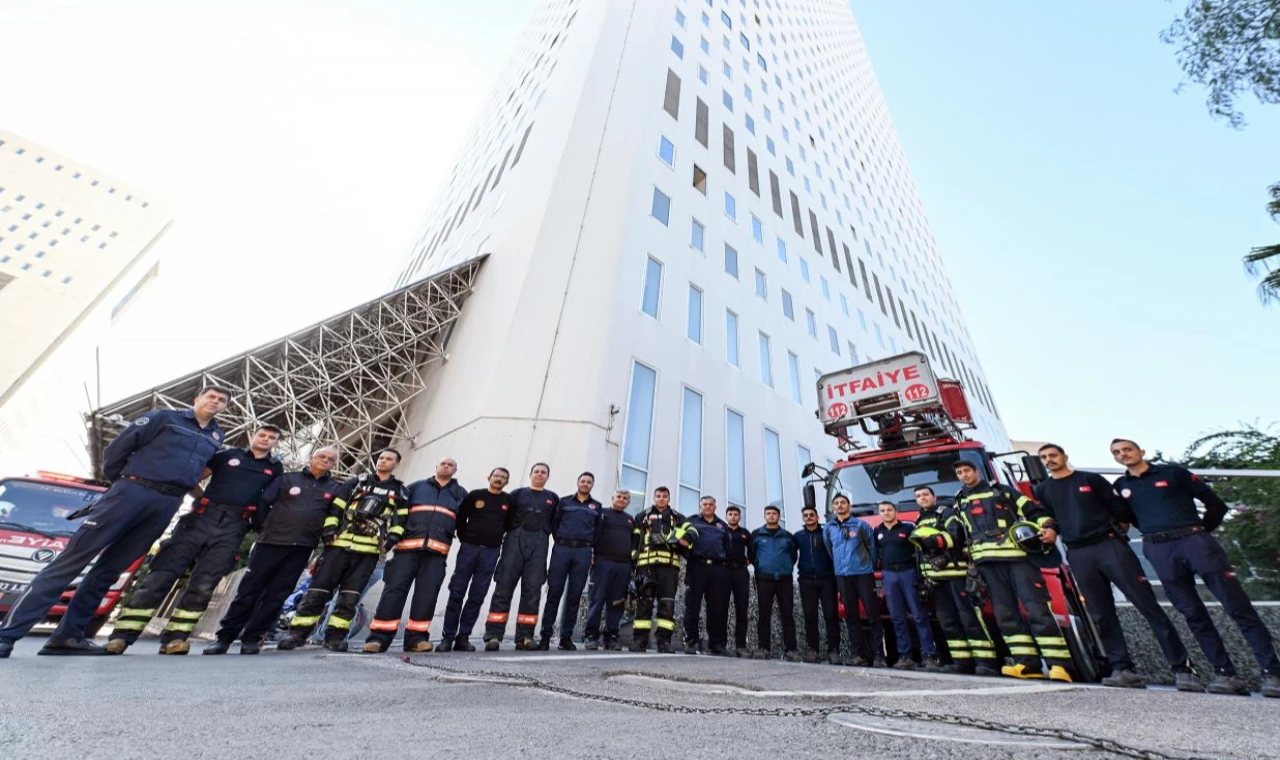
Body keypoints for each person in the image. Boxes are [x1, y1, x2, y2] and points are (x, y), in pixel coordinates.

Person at [0, 387, 228, 658]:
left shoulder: (216, 435)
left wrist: (199, 497)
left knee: (109, 572)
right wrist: (123, 482)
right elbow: (118, 449)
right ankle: (7, 636)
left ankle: (68, 637)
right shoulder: (164, 418)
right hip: (131, 492)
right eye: (211, 396)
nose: (215, 402)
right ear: (197, 399)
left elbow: (196, 471)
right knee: (73, 561)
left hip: (167, 503)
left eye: (222, 400)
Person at [1111, 438, 1280, 698]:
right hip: (1159, 550)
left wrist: (1200, 533)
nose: (1123, 454)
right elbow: (1129, 517)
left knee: (1237, 607)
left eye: (1127, 449)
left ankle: (1272, 673)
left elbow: (1216, 505)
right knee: (1193, 614)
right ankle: (1225, 674)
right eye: (1116, 453)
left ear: (1141, 451)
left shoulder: (1173, 473)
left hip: (1195, 542)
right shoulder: (1121, 485)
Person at [107, 425, 283, 655]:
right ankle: (122, 636)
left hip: (235, 525)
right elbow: (194, 477)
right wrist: (203, 499)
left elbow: (268, 500)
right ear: (252, 436)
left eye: (272, 437)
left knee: (205, 583)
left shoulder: (275, 468)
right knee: (162, 574)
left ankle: (176, 639)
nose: (265, 439)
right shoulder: (227, 456)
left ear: (276, 443)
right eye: (262, 435)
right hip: (201, 518)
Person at [1034, 444, 1192, 690]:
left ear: (1065, 456)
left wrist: (1116, 534)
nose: (1049, 460)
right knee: (1100, 614)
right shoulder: (1042, 489)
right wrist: (1051, 529)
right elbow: (1048, 516)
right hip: (1077, 553)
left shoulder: (1091, 480)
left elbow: (1120, 509)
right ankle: (1123, 669)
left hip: (1110, 547)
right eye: (1044, 457)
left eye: (1053, 455)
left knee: (1147, 606)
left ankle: (1182, 668)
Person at [206, 447, 340, 655]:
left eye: (330, 459)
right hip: (270, 543)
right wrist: (264, 527)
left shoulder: (334, 488)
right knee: (249, 591)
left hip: (301, 548)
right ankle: (225, 638)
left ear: (334, 465)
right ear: (311, 458)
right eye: (321, 456)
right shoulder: (287, 479)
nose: (325, 460)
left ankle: (253, 638)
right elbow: (263, 502)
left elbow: (333, 516)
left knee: (277, 596)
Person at [948, 460, 1073, 682]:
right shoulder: (958, 501)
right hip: (986, 563)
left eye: (967, 470)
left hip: (1018, 560)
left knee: (1037, 609)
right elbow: (960, 533)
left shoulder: (1002, 491)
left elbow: (1033, 510)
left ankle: (1059, 665)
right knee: (1005, 615)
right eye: (959, 473)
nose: (964, 475)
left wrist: (1049, 527)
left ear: (976, 471)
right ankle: (1026, 663)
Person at [277, 449, 408, 652]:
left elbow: (400, 520)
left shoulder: (400, 491)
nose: (383, 461)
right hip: (338, 547)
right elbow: (336, 507)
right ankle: (297, 634)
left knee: (350, 597)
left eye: (389, 459)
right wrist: (329, 531)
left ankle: (335, 637)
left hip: (368, 552)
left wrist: (390, 541)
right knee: (317, 592)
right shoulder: (356, 482)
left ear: (396, 464)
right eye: (381, 458)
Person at [363, 457, 467, 654]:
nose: (446, 466)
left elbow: (462, 523)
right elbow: (398, 514)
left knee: (427, 596)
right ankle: (378, 638)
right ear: (436, 466)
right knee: (393, 593)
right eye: (443, 463)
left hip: (436, 554)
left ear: (455, 470)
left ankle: (416, 639)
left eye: (451, 465)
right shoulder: (415, 487)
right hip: (405, 551)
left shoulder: (460, 493)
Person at [909, 486, 998, 676]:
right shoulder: (919, 520)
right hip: (936, 580)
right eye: (918, 496)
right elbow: (919, 554)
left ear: (934, 496)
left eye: (925, 494)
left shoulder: (946, 512)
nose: (922, 498)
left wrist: (932, 542)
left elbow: (955, 535)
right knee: (947, 621)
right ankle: (962, 661)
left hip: (956, 575)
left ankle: (986, 663)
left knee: (970, 618)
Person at [483, 463, 560, 650]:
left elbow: (555, 524)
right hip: (514, 542)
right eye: (537, 471)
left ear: (548, 477)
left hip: (539, 544)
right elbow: (505, 518)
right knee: (503, 587)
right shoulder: (516, 494)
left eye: (543, 472)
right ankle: (493, 635)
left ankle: (525, 637)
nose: (540, 474)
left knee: (532, 592)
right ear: (530, 474)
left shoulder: (553, 498)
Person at [438, 467, 512, 652]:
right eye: (496, 475)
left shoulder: (508, 501)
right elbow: (461, 518)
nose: (499, 479)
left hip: (491, 552)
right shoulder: (475, 496)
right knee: (457, 593)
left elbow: (509, 524)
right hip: (469, 550)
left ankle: (463, 637)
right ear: (489, 477)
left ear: (506, 482)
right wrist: (466, 538)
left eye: (503, 477)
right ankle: (447, 637)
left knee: (477, 596)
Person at [539, 472, 602, 650]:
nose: (585, 484)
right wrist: (561, 539)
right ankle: (545, 636)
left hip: (583, 552)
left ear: (592, 485)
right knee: (554, 593)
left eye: (589, 482)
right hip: (562, 549)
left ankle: (565, 637)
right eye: (583, 481)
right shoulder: (564, 502)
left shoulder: (596, 506)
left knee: (574, 596)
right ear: (578, 483)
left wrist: (588, 546)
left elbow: (598, 532)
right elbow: (555, 524)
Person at [874, 501, 939, 671]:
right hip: (889, 575)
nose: (886, 513)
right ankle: (905, 656)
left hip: (908, 573)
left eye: (889, 510)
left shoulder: (908, 529)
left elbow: (920, 551)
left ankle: (929, 655)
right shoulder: (877, 532)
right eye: (882, 510)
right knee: (897, 618)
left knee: (919, 615)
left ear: (896, 512)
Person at [823, 493, 884, 667]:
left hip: (863, 574)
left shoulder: (861, 525)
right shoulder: (829, 528)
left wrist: (868, 566)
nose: (840, 505)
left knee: (872, 614)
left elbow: (872, 548)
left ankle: (879, 655)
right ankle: (858, 655)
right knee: (851, 616)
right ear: (834, 507)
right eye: (837, 503)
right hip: (842, 576)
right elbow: (830, 549)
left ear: (849, 506)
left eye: (843, 503)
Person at [630, 486, 687, 653]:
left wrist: (678, 540)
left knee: (667, 605)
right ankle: (640, 641)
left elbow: (690, 533)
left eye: (664, 496)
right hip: (645, 567)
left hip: (669, 569)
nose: (661, 498)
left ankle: (664, 642)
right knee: (644, 604)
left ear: (669, 498)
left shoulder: (678, 518)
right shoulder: (642, 516)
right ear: (654, 497)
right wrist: (633, 562)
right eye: (658, 496)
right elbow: (634, 540)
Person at [583, 490, 635, 650]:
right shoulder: (601, 513)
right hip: (602, 563)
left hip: (623, 566)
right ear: (612, 498)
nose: (621, 500)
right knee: (597, 600)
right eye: (618, 497)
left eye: (625, 498)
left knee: (617, 603)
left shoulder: (630, 519)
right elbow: (591, 534)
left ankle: (611, 637)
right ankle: (591, 636)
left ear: (628, 502)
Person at [682, 495, 732, 655]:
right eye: (705, 504)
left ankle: (716, 645)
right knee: (692, 606)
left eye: (711, 504)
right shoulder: (691, 521)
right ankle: (690, 642)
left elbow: (728, 548)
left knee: (717, 608)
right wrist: (688, 555)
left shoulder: (722, 526)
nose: (708, 507)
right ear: (700, 506)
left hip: (717, 570)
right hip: (697, 567)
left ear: (715, 507)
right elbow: (680, 541)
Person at [750, 505, 799, 661]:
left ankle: (791, 650)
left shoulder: (788, 536)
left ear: (779, 516)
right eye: (768, 514)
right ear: (764, 516)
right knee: (764, 614)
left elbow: (793, 557)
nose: (771, 516)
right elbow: (752, 555)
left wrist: (785, 568)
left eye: (774, 514)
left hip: (784, 580)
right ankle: (764, 648)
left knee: (787, 615)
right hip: (765, 579)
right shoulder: (756, 534)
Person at [795, 504, 841, 664]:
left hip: (827, 579)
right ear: (803, 518)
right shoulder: (798, 536)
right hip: (807, 580)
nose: (809, 517)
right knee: (810, 617)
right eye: (806, 515)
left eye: (811, 515)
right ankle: (813, 650)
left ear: (817, 517)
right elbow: (793, 556)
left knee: (831, 616)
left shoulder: (826, 533)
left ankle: (834, 651)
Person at [723, 505, 753, 657]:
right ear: (726, 516)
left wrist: (748, 561)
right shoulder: (721, 531)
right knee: (721, 608)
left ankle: (740, 645)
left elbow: (753, 552)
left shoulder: (745, 534)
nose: (733, 517)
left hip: (741, 572)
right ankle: (720, 645)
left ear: (740, 517)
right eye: (730, 514)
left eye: (736, 514)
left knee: (742, 608)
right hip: (724, 571)